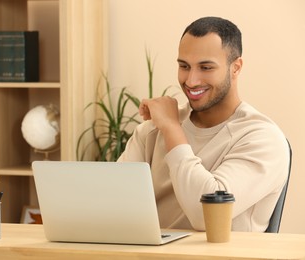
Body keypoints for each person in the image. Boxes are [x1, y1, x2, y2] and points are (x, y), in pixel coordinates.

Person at [117, 16, 290, 232]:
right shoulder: (151, 130)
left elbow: (206, 214)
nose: (191, 81)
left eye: (206, 67)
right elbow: (114, 205)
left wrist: (172, 129)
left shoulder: (263, 139)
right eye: (184, 66)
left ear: (235, 67)